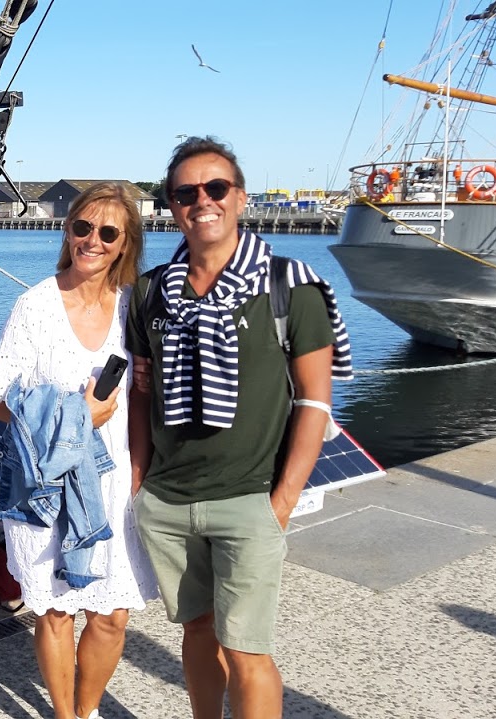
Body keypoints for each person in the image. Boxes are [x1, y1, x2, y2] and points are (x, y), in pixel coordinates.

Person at [126, 136, 351, 719]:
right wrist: (139, 483)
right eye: (186, 192)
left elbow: (315, 402)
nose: (202, 200)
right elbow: (141, 394)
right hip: (169, 502)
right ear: (172, 205)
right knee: (198, 631)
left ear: (240, 197)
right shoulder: (151, 292)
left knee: (247, 651)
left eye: (216, 187)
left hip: (250, 499)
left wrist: (282, 501)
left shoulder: (289, 286)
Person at [0, 182, 158, 719]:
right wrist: (75, 417)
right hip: (45, 482)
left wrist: (139, 471)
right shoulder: (35, 306)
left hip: (114, 482)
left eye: (108, 232)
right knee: (56, 612)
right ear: (67, 230)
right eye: (83, 227)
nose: (93, 240)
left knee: (111, 615)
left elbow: (142, 400)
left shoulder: (132, 308)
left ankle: (88, 709)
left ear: (124, 244)